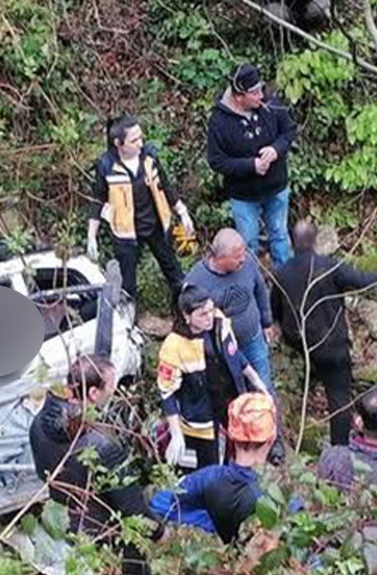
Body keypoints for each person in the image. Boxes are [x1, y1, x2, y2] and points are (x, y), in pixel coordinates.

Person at [30, 354, 161, 575]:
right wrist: (159, 532)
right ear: (93, 394)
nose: (114, 390)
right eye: (110, 386)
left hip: (69, 527)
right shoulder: (101, 444)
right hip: (108, 534)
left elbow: (43, 473)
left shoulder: (38, 425)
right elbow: (132, 507)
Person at [275, 220, 377, 447]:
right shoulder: (330, 266)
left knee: (318, 372)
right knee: (339, 399)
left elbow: (275, 309)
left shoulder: (282, 273)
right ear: (315, 241)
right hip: (332, 346)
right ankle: (339, 450)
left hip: (300, 342)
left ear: (292, 243)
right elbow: (363, 281)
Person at [87, 114, 196, 307]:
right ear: (118, 143)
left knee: (174, 270)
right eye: (134, 140)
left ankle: (185, 310)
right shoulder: (106, 165)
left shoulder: (149, 157)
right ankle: (128, 321)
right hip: (125, 232)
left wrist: (182, 212)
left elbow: (165, 185)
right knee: (128, 283)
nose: (140, 143)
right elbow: (97, 200)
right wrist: (91, 236)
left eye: (141, 138)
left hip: (155, 224)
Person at [157, 285, 267, 471]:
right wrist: (176, 433)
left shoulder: (219, 321)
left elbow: (234, 354)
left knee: (233, 457)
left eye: (210, 310)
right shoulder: (174, 346)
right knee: (205, 468)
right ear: (186, 315)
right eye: (202, 314)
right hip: (199, 420)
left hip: (230, 405)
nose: (209, 317)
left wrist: (256, 380)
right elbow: (167, 393)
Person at [151, 392, 277, 544]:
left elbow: (161, 504)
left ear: (231, 435)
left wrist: (208, 520)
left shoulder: (208, 478)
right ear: (271, 439)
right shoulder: (278, 493)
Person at [206, 62, 298, 265]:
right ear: (239, 97)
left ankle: (285, 284)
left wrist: (275, 150)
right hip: (243, 196)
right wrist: (251, 166)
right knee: (247, 244)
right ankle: (252, 286)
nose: (261, 96)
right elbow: (216, 161)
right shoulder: (219, 122)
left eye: (261, 89)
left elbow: (289, 131)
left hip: (276, 188)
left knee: (280, 235)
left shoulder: (270, 104)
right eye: (254, 93)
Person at [184, 228, 277, 391]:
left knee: (264, 387)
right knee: (234, 391)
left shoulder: (248, 263)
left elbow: (260, 290)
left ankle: (269, 416)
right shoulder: (197, 280)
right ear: (220, 257)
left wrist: (267, 321)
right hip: (223, 350)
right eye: (237, 257)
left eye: (243, 253)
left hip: (253, 338)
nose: (243, 259)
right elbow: (190, 319)